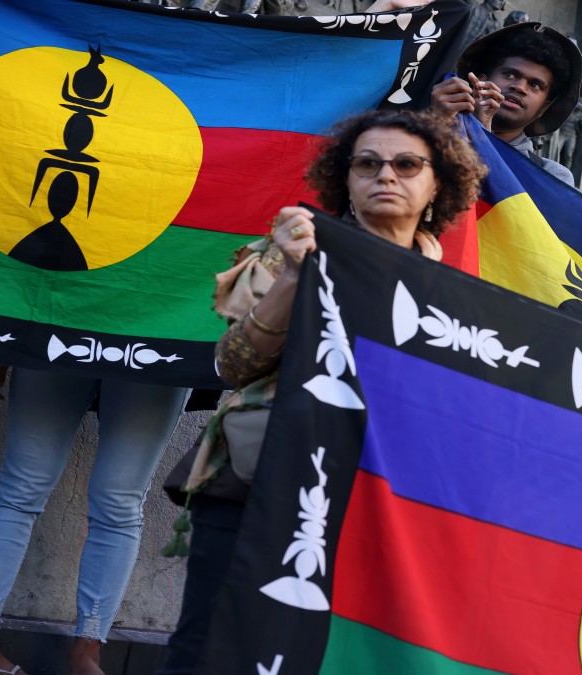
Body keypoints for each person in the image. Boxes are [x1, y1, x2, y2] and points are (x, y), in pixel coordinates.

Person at [156, 108, 487, 674]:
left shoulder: (455, 294)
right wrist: (291, 274)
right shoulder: (292, 250)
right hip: (259, 483)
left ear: (437, 184)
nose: (386, 175)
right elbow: (232, 366)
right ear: (346, 179)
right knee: (209, 649)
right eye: (367, 164)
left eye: (407, 164)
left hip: (376, 508)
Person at [0, 367, 189, 675]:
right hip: (65, 327)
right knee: (23, 488)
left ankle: (85, 655)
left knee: (116, 502)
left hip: (157, 335)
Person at [430, 21, 582, 186]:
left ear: (544, 108)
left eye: (535, 85)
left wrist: (482, 139)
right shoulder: (432, 123)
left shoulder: (551, 177)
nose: (519, 87)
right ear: (480, 82)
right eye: (509, 75)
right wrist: (434, 122)